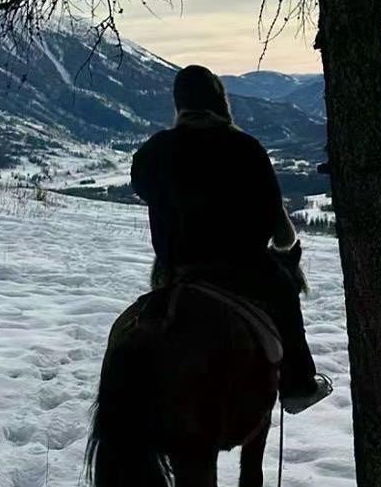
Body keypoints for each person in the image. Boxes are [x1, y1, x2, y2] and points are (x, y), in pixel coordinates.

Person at [131, 64, 331, 414]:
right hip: (241, 271)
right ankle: (298, 386)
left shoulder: (153, 152)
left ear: (179, 104)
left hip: (175, 272)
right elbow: (281, 234)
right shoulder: (246, 148)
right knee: (285, 294)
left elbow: (143, 188)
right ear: (220, 103)